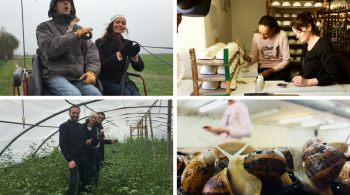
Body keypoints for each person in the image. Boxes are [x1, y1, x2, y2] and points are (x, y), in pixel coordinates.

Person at [36, 0, 102, 96]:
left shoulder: (78, 28)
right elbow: (49, 49)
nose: (66, 2)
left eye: (69, 1)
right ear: (54, 6)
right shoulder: (44, 27)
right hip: (55, 76)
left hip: (77, 77)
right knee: (74, 94)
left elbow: (91, 52)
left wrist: (92, 72)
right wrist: (75, 36)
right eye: (62, 0)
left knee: (96, 94)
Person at [95, 15, 144, 96]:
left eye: (123, 23)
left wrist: (134, 55)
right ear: (111, 25)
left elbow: (139, 68)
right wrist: (120, 53)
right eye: (117, 22)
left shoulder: (126, 43)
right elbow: (101, 66)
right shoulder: (100, 42)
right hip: (106, 80)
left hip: (124, 80)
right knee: (126, 93)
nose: (120, 25)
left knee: (136, 94)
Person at [291, 12, 338, 86]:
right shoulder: (306, 45)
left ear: (309, 27)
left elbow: (333, 75)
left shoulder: (324, 46)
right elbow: (304, 70)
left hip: (322, 89)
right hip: (309, 88)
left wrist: (307, 82)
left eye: (299, 32)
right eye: (295, 33)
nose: (297, 36)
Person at [243, 15, 290, 81]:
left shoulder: (282, 35)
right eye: (260, 32)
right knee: (259, 84)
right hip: (264, 68)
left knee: (275, 85)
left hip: (280, 68)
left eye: (266, 34)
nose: (262, 37)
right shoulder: (256, 36)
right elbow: (254, 55)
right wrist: (249, 58)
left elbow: (286, 61)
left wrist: (271, 70)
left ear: (273, 29)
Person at [59, 105, 92, 195]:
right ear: (69, 113)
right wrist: (69, 160)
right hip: (74, 158)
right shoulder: (64, 126)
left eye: (77, 113)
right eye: (73, 113)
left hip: (83, 157)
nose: (75, 115)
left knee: (83, 180)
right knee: (73, 181)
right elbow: (63, 144)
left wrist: (87, 143)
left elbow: (84, 140)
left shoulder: (81, 126)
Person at [92, 112, 117, 185]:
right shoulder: (91, 126)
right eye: (99, 117)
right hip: (92, 151)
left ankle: (95, 184)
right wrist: (98, 136)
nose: (100, 119)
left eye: (102, 118)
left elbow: (101, 140)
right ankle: (90, 184)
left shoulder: (101, 127)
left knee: (98, 169)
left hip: (99, 151)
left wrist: (110, 141)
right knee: (93, 169)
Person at [83, 112, 101, 188]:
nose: (93, 119)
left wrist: (98, 137)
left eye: (95, 118)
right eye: (92, 117)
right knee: (83, 172)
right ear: (89, 117)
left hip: (90, 153)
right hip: (83, 152)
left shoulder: (95, 128)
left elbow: (94, 144)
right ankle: (82, 188)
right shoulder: (82, 126)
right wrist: (85, 142)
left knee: (90, 171)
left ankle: (88, 188)